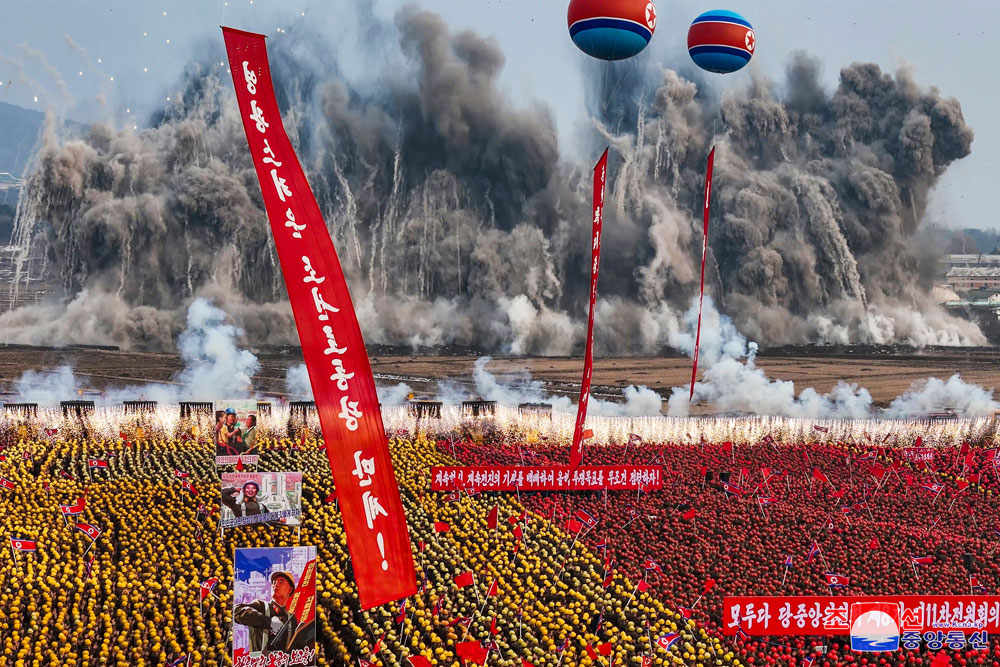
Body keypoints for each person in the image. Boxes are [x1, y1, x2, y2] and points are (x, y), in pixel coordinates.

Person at [234, 571, 296, 655]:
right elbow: (237, 611)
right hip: (259, 663)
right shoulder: (261, 606)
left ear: (290, 589)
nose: (275, 585)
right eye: (274, 582)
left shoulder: (292, 619)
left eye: (281, 582)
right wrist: (268, 622)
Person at [221, 480, 286, 525]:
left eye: (253, 488)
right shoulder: (236, 504)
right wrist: (234, 489)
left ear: (256, 491)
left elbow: (269, 517)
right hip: (242, 534)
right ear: (244, 491)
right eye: (248, 488)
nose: (251, 490)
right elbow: (222, 495)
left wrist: (279, 519)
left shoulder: (261, 506)